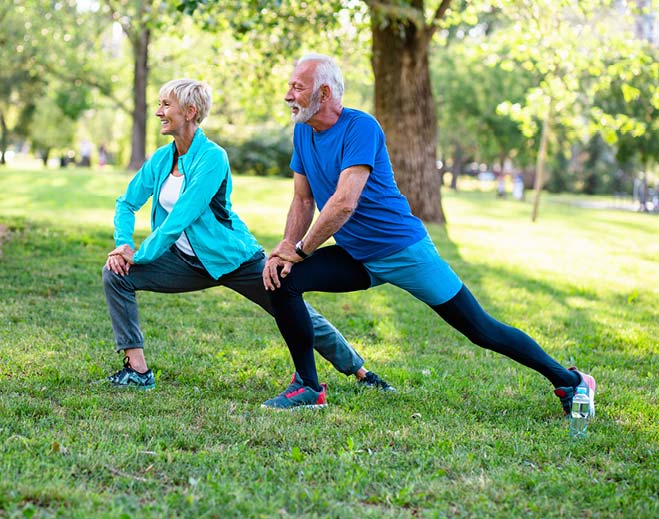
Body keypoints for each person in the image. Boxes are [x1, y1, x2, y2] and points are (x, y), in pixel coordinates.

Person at [261, 53, 596, 414]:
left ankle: (570, 381)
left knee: (481, 329)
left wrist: (302, 249)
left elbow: (344, 203)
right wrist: (284, 251)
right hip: (356, 257)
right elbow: (302, 198)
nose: (288, 95)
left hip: (402, 250)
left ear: (324, 93)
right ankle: (308, 387)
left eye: (297, 87)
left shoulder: (361, 127)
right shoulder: (303, 132)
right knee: (283, 280)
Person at [103, 78, 393, 391]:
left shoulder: (212, 158)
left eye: (165, 104)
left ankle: (361, 372)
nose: (158, 111)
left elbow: (180, 217)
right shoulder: (161, 159)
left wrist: (142, 255)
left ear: (188, 111)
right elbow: (126, 203)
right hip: (184, 261)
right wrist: (123, 245)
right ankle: (138, 370)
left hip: (234, 259)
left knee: (293, 310)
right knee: (116, 275)